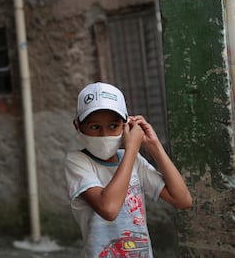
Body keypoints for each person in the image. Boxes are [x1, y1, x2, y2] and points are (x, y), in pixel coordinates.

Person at [64, 81, 192, 258]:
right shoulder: (78, 162)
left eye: (113, 126)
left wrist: (154, 146)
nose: (104, 135)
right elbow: (109, 209)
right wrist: (132, 149)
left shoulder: (132, 160)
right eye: (94, 127)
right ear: (77, 126)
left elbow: (182, 200)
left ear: (126, 126)